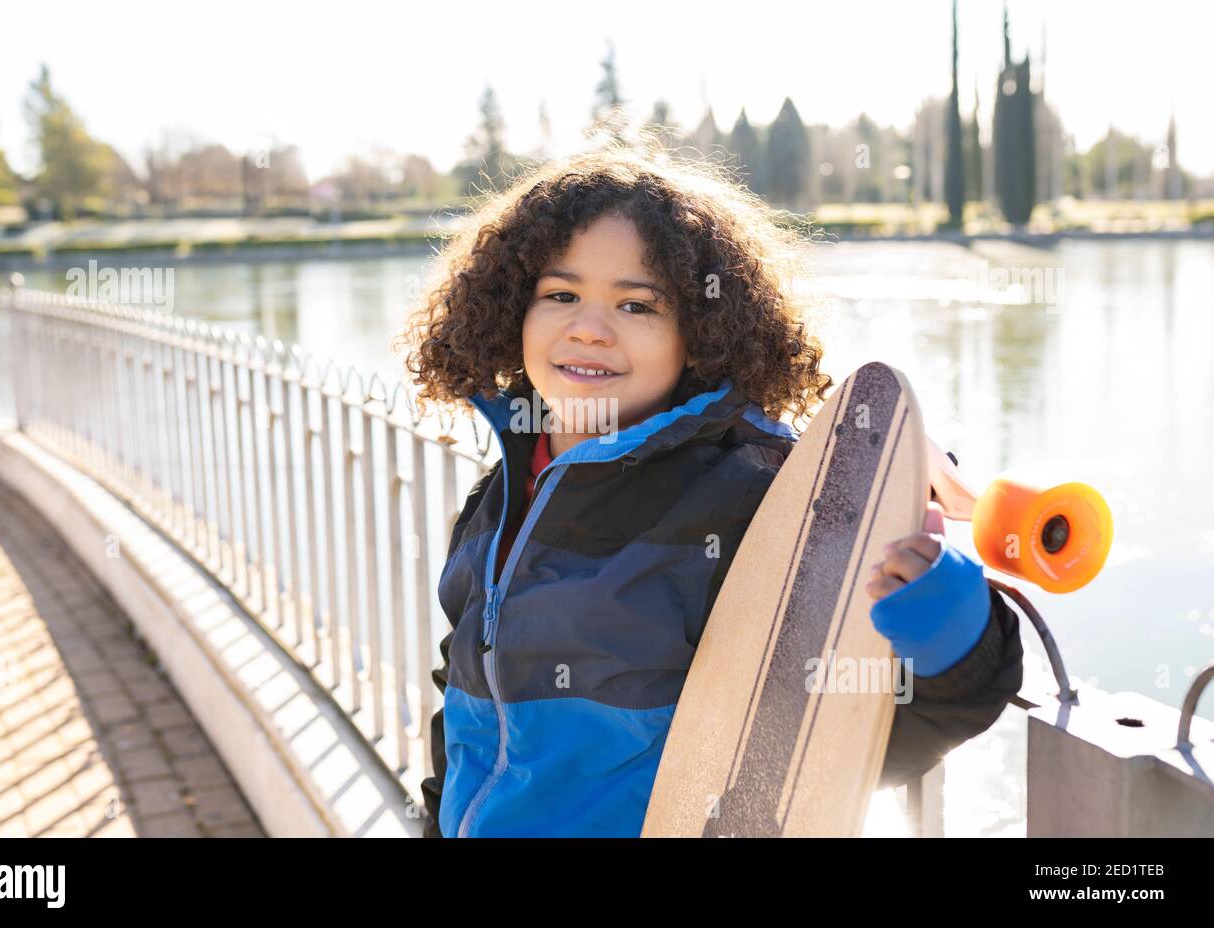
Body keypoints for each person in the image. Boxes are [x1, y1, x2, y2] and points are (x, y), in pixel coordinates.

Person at [395, 140, 1023, 838]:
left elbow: (851, 738)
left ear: (701, 334)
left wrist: (953, 639)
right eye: (561, 294)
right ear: (512, 309)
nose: (589, 329)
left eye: (638, 306)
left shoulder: (751, 498)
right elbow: (464, 708)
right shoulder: (502, 495)